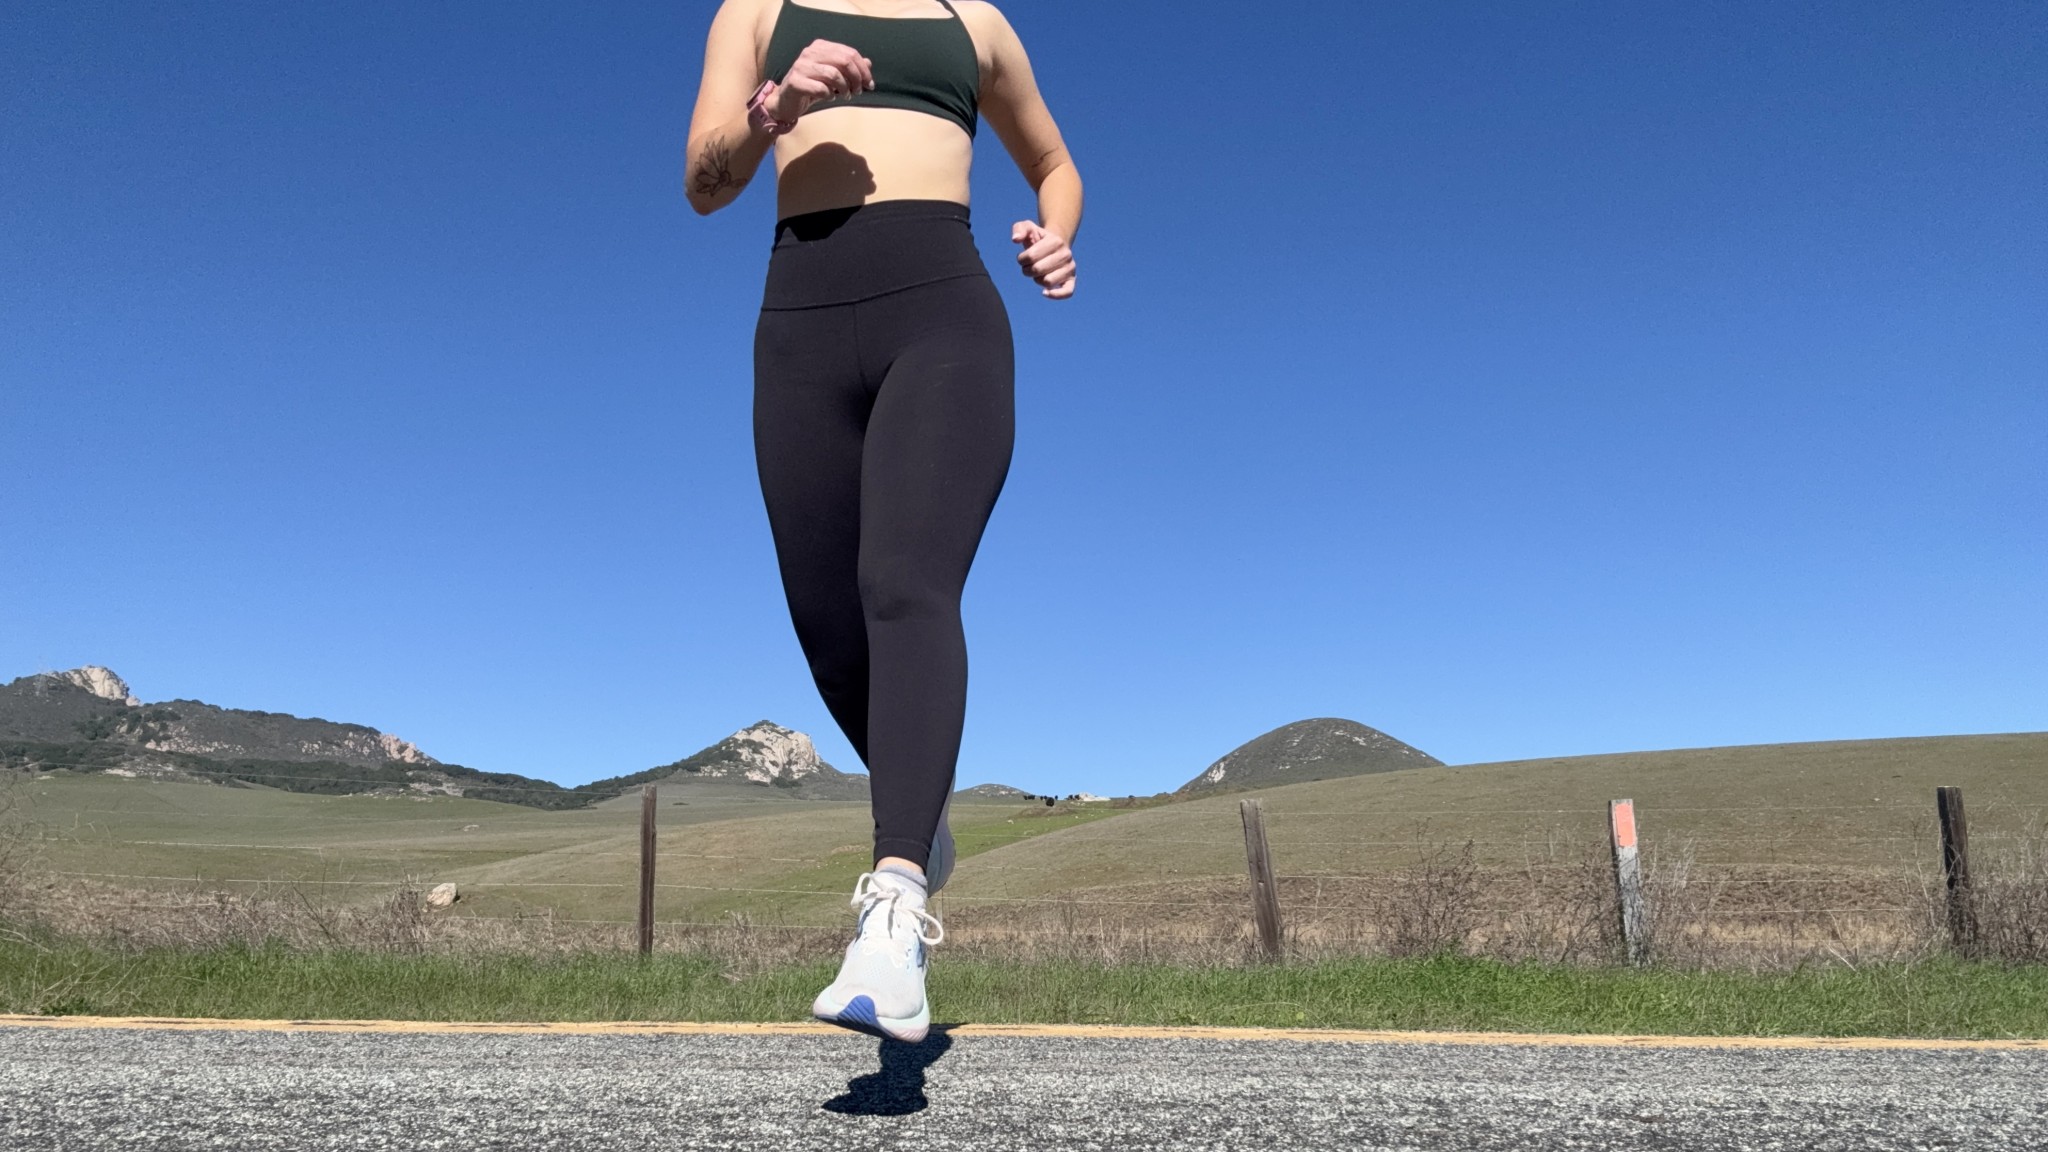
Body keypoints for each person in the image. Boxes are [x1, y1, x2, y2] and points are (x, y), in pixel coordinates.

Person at [684, 0, 1081, 1042]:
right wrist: (772, 110)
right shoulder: (755, 12)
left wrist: (1057, 232)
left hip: (943, 311)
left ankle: (894, 909)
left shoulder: (974, 22)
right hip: (800, 324)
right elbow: (703, 185)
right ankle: (923, 811)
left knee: (903, 583)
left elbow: (1053, 162)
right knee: (827, 626)